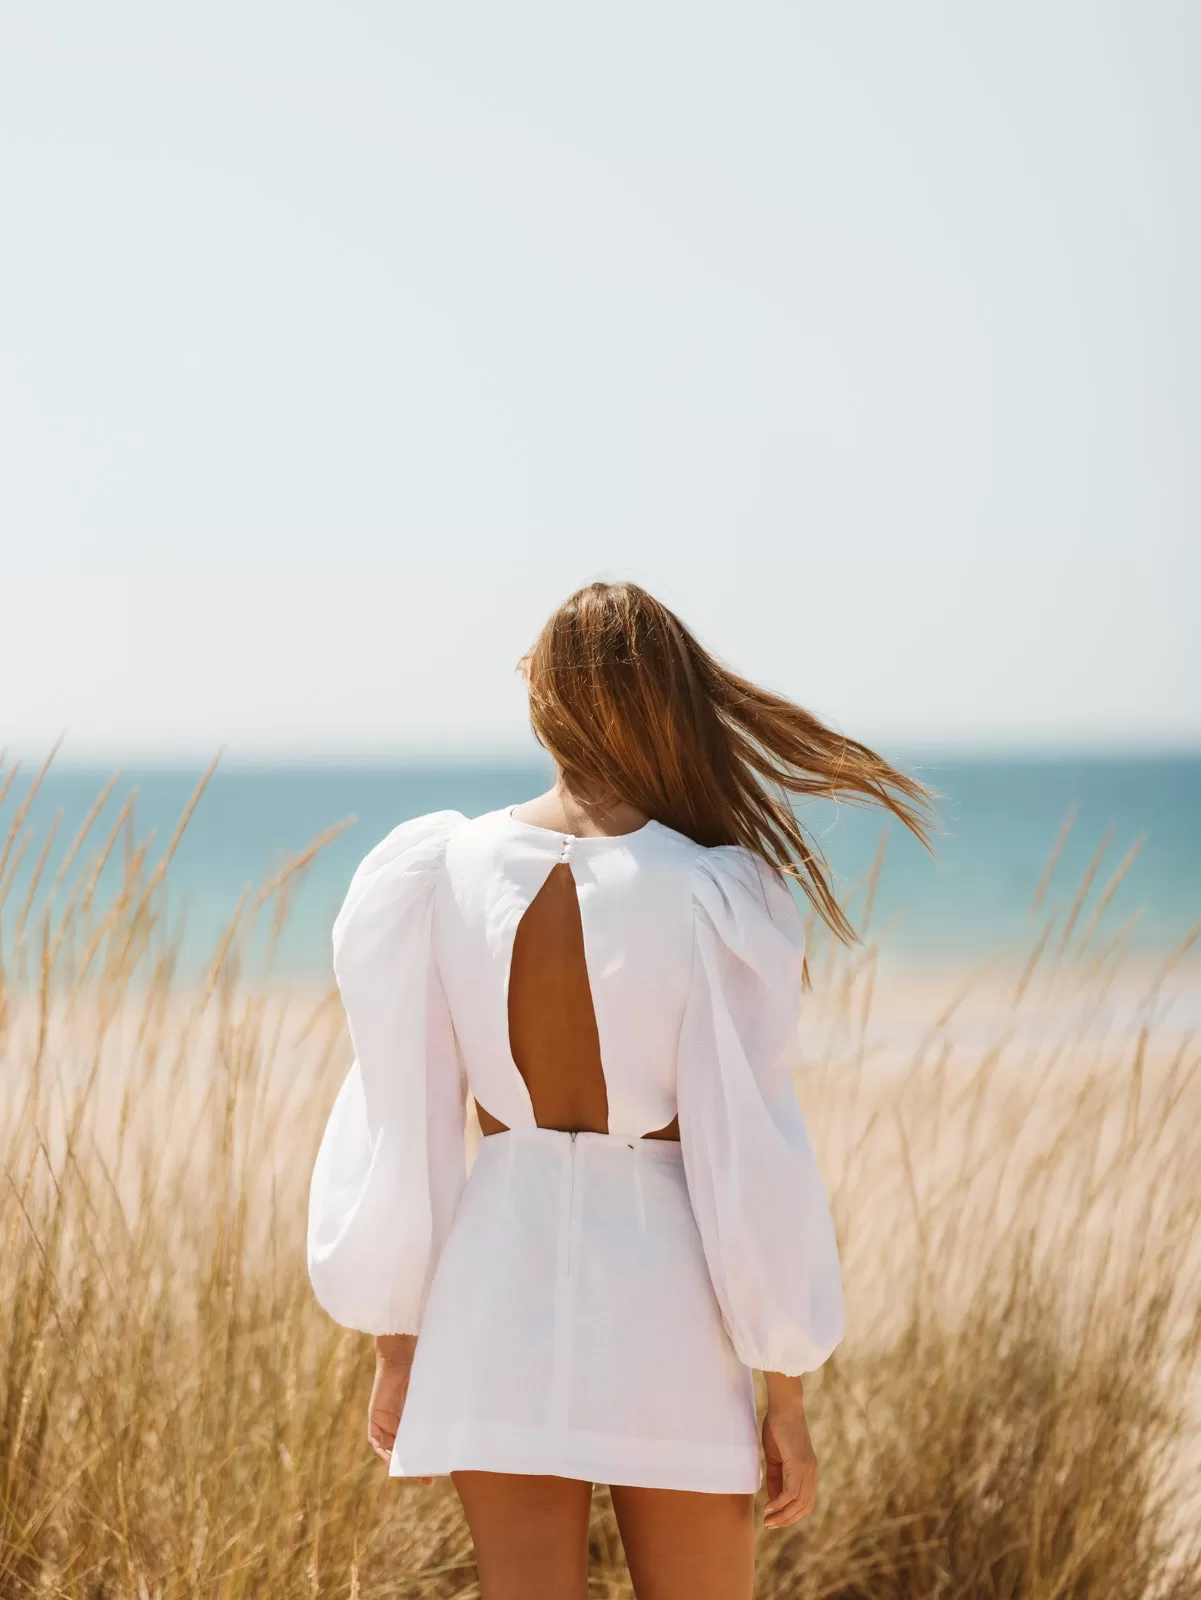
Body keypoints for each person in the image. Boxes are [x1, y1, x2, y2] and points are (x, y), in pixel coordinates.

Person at [307, 580, 933, 1600]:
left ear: (543, 695)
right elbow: (743, 1155)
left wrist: (396, 1337)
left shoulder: (438, 870)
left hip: (491, 1295)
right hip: (662, 1302)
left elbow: (402, 1118)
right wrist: (785, 1390)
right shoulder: (712, 893)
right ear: (668, 699)